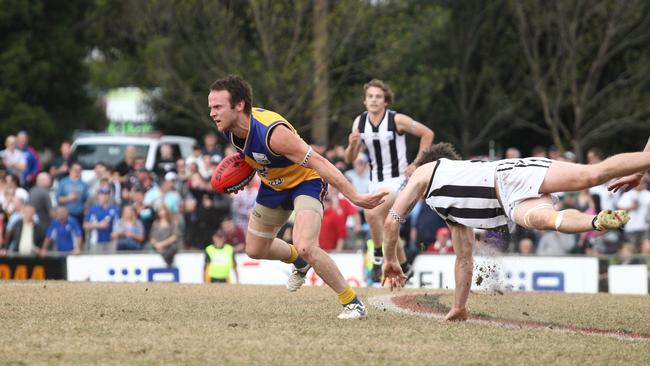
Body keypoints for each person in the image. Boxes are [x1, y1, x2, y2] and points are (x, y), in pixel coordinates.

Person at [381, 141, 650, 321]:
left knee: (592, 176)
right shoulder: (451, 212)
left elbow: (392, 221)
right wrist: (458, 307)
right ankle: (597, 222)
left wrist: (390, 259)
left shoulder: (425, 171)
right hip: (511, 202)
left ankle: (645, 159)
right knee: (545, 220)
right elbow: (464, 259)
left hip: (511, 175)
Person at [208, 75, 387, 319]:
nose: (212, 113)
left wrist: (355, 196)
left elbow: (319, 161)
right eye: (211, 107)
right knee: (255, 249)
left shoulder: (273, 133)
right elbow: (253, 158)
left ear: (239, 105)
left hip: (306, 181)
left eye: (217, 107)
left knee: (306, 245)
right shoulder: (229, 129)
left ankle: (352, 302)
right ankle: (299, 262)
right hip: (273, 185)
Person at [343, 79, 434, 283]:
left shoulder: (396, 120)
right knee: (387, 225)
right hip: (375, 180)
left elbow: (427, 134)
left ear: (385, 102)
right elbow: (350, 159)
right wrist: (351, 146)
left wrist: (417, 163)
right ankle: (404, 266)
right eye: (370, 97)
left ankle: (377, 255)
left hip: (398, 180)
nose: (374, 100)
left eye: (378, 97)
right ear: (365, 101)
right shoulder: (359, 122)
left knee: (370, 211)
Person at [83, 187, 120, 253]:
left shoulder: (115, 209)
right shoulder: (93, 210)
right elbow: (85, 225)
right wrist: (99, 225)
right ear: (99, 196)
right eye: (102, 194)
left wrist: (117, 232)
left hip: (111, 240)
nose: (104, 196)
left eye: (106, 194)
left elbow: (118, 223)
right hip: (96, 241)